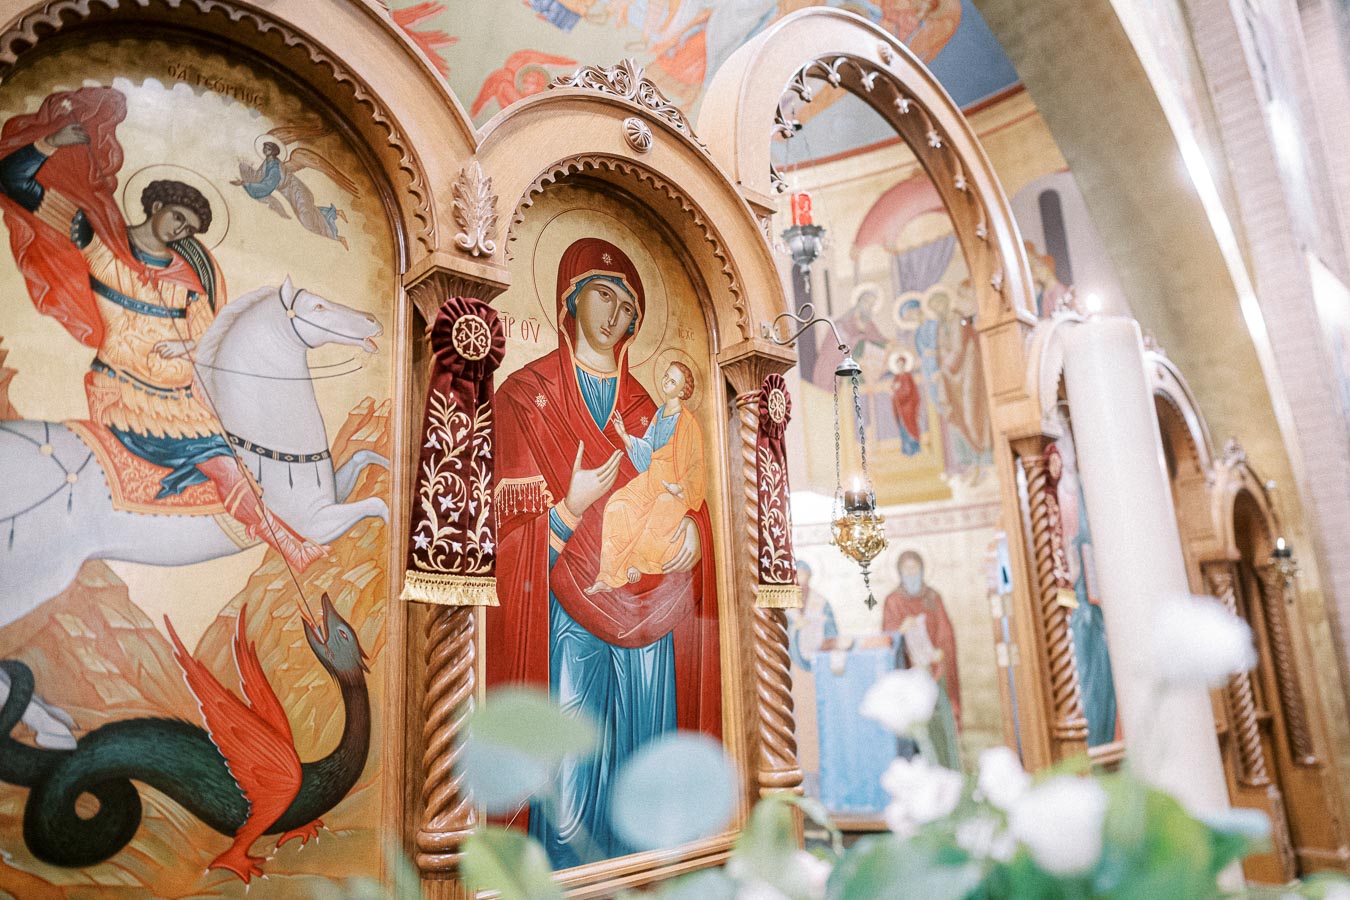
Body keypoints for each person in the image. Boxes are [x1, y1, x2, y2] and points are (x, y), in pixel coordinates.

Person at [0, 86, 324, 571]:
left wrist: (188, 344)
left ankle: (283, 541)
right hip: (127, 394)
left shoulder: (190, 277)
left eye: (189, 228)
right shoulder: (96, 238)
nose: (179, 231)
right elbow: (12, 180)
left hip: (183, 404)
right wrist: (47, 146)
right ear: (155, 206)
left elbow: (210, 342)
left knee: (234, 462)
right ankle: (289, 546)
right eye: (177, 217)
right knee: (223, 463)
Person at [488, 237, 721, 869]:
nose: (616, 312)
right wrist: (565, 511)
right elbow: (494, 544)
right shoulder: (524, 396)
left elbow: (685, 486)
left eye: (629, 306)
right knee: (569, 776)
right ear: (569, 298)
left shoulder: (648, 407)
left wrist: (696, 535)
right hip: (565, 609)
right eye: (604, 294)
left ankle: (650, 876)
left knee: (646, 757)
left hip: (651, 613)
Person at [586, 361, 705, 593]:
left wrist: (680, 488)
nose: (666, 382)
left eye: (672, 381)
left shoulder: (689, 423)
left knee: (660, 507)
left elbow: (697, 465)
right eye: (666, 377)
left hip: (674, 488)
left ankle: (638, 562)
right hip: (652, 478)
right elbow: (648, 449)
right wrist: (624, 435)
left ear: (682, 391)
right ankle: (608, 576)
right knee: (617, 505)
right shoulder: (660, 413)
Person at [882, 550, 961, 768]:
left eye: (914, 568)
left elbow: (945, 632)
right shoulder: (893, 601)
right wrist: (900, 630)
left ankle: (946, 766)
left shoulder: (932, 597)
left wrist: (940, 653)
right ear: (899, 572)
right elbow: (887, 638)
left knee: (938, 723)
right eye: (906, 569)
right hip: (909, 672)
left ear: (922, 569)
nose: (911, 573)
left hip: (934, 670)